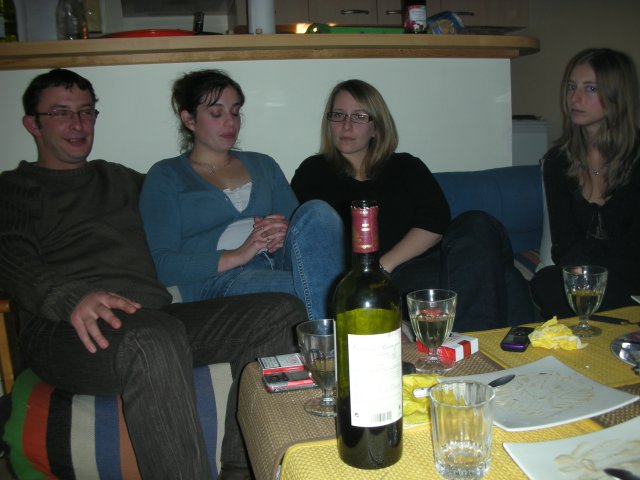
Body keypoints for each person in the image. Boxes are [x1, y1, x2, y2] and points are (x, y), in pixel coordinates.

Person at [0, 68, 306, 480]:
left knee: (280, 311)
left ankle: (241, 469)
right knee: (152, 337)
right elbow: (11, 259)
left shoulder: (122, 179)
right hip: (67, 327)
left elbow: (192, 200)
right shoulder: (15, 188)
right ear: (32, 124)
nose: (77, 124)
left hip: (152, 316)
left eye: (86, 112)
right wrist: (69, 298)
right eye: (61, 113)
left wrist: (264, 221)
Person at [291, 79, 536, 332]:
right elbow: (303, 239)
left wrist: (381, 266)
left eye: (359, 116)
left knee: (477, 222)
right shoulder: (313, 173)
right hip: (393, 283)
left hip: (437, 261)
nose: (346, 125)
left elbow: (435, 221)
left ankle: (474, 339)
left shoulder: (406, 166)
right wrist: (371, 276)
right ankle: (481, 342)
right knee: (507, 278)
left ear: (377, 128)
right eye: (338, 115)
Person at [139, 69, 344, 320]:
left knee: (317, 212)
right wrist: (238, 254)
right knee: (319, 289)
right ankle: (339, 338)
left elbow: (299, 228)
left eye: (235, 112)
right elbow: (161, 264)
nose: (231, 122)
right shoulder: (166, 175)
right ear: (189, 119)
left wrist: (285, 232)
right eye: (217, 113)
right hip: (220, 280)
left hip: (280, 263)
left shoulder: (264, 165)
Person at [531, 48, 640, 319]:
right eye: (572, 87)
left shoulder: (636, 159)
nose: (575, 98)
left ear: (617, 95)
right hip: (581, 279)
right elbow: (563, 244)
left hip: (630, 280)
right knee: (546, 282)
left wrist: (590, 269)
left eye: (590, 88)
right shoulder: (558, 161)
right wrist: (582, 271)